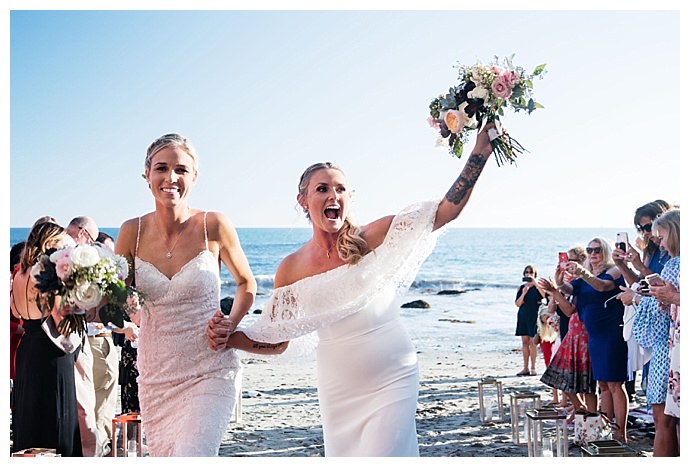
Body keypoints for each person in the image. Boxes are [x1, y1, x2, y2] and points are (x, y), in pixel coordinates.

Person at [208, 123, 497, 456]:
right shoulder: (291, 268)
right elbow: (276, 340)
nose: (333, 196)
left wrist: (480, 152)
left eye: (341, 189)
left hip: (393, 374)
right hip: (338, 388)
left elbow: (445, 212)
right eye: (322, 189)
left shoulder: (375, 235)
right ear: (303, 200)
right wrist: (229, 337)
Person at [114, 133, 264, 456]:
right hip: (156, 375)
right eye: (162, 168)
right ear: (147, 175)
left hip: (210, 366)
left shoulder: (215, 225)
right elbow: (122, 296)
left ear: (194, 177)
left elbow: (246, 284)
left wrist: (231, 322)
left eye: (181, 170)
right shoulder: (130, 232)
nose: (171, 178)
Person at [10, 222, 82, 456]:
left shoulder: (20, 273)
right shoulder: (45, 273)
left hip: (27, 351)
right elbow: (61, 324)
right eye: (61, 243)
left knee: (29, 424)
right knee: (57, 425)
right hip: (51, 355)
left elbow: (16, 310)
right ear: (50, 243)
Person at [557, 238, 628, 442]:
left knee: (615, 384)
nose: (593, 253)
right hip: (594, 337)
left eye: (597, 250)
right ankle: (605, 428)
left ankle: (620, 432)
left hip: (612, 334)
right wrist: (559, 280)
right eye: (589, 250)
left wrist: (582, 272)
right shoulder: (586, 275)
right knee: (603, 385)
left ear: (604, 251)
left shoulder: (613, 270)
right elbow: (570, 290)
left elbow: (603, 287)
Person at [623, 209, 680, 456]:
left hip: (668, 348)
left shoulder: (673, 265)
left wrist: (637, 298)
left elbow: (654, 318)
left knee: (663, 418)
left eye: (661, 234)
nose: (658, 240)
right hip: (671, 345)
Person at [613, 200, 672, 397]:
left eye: (648, 227)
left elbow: (664, 286)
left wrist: (639, 265)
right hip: (653, 327)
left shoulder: (674, 253)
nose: (646, 233)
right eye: (641, 228)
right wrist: (622, 265)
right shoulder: (652, 251)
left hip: (668, 325)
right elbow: (640, 285)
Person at [538, 245, 598, 415]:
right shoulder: (572, 283)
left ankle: (589, 416)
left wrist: (555, 290)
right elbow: (564, 310)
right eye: (566, 260)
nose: (567, 265)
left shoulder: (583, 281)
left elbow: (571, 309)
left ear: (581, 262)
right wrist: (557, 288)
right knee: (559, 376)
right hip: (571, 332)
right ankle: (580, 407)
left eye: (571, 261)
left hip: (583, 332)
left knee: (585, 382)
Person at [66, 215, 106, 457]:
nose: (90, 245)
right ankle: (91, 453)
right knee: (84, 400)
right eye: (90, 239)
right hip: (73, 338)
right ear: (82, 232)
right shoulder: (70, 255)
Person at [515, 265, 545, 376]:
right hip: (523, 315)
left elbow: (545, 297)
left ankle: (533, 367)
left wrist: (535, 283)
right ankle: (525, 367)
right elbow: (518, 304)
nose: (528, 274)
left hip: (535, 316)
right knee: (524, 342)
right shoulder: (521, 287)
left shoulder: (538, 287)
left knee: (533, 342)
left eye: (530, 273)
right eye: (526, 273)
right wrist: (524, 293)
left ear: (534, 274)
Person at [534, 305, 559, 404]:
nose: (546, 319)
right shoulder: (542, 329)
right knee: (551, 373)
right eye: (544, 317)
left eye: (547, 316)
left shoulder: (555, 325)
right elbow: (535, 342)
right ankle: (556, 397)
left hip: (554, 348)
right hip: (546, 350)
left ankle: (561, 398)